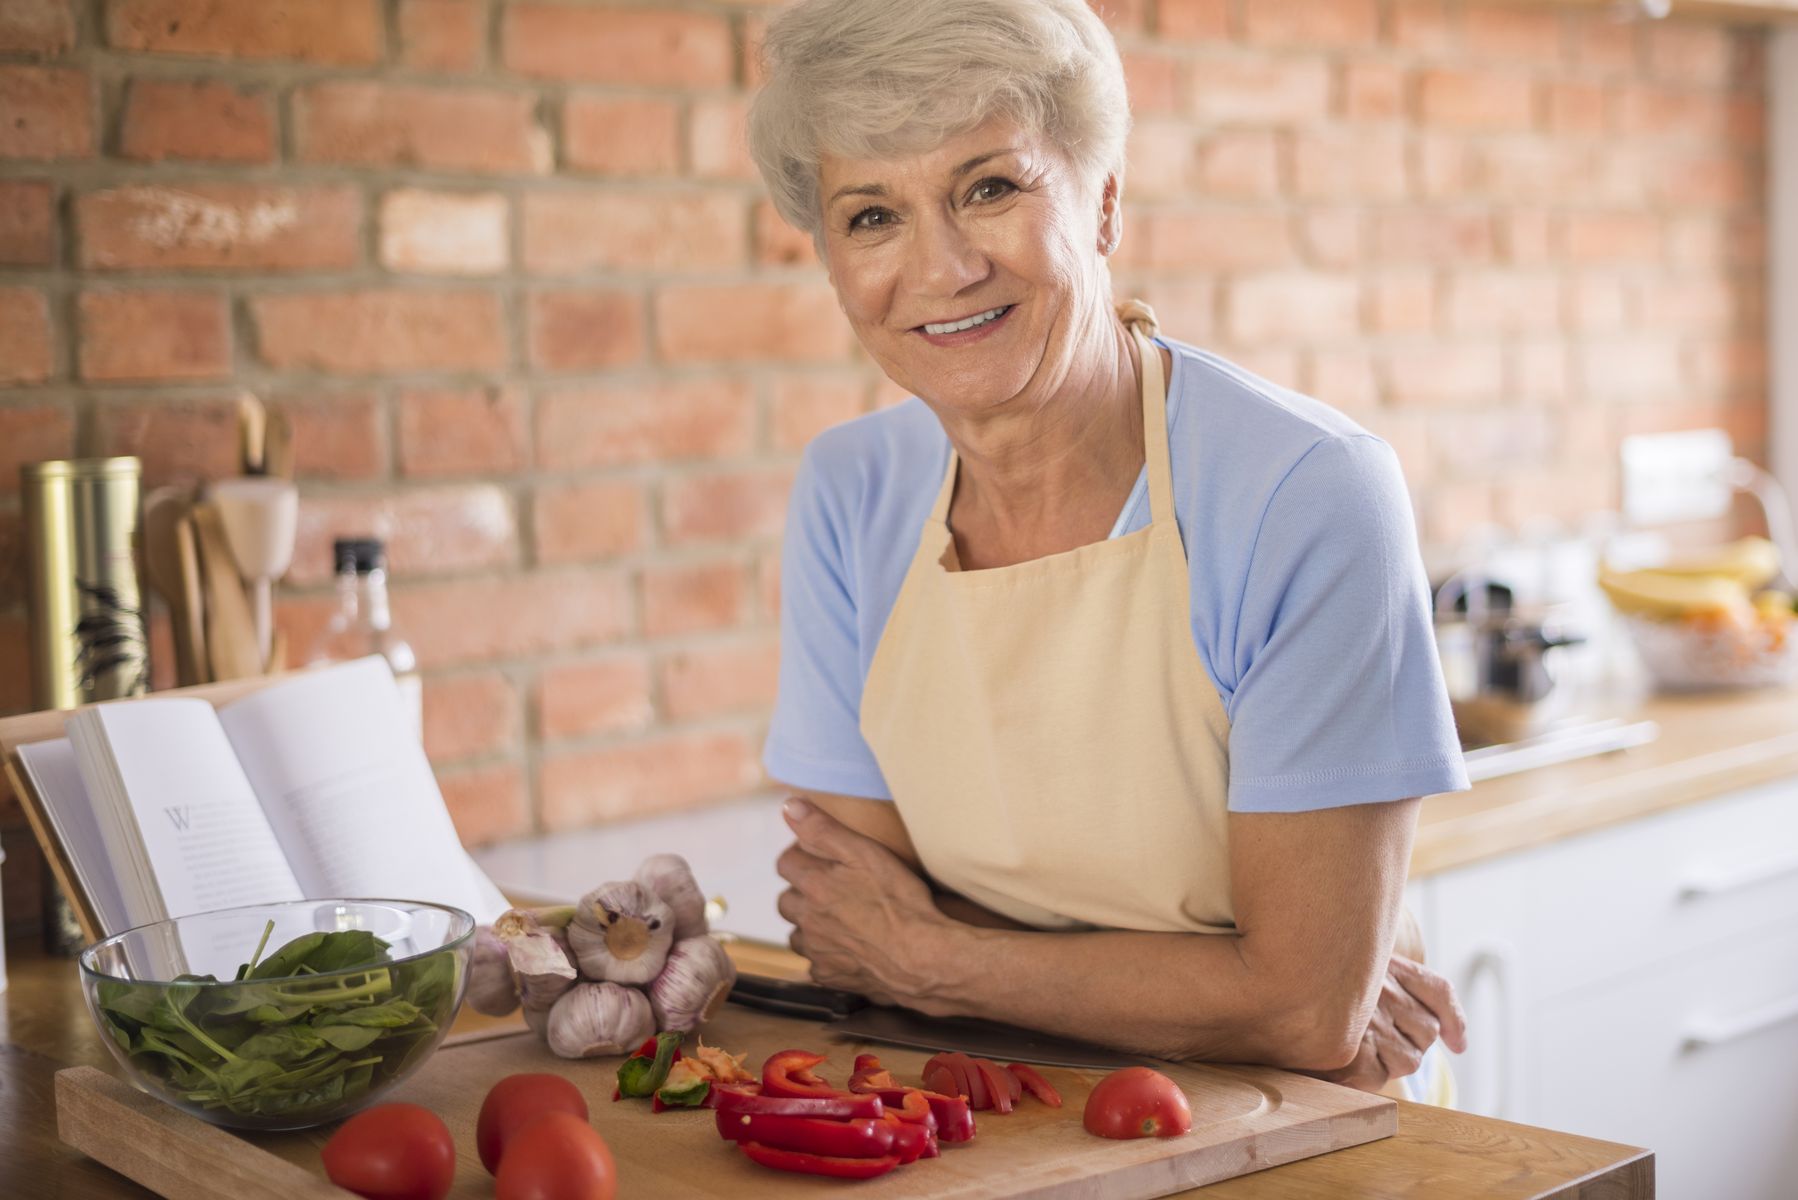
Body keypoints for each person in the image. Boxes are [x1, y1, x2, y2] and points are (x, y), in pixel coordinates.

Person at [748, 0, 1470, 1099]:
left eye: (989, 188)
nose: (939, 267)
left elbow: (1303, 1011)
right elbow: (852, 924)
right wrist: (1239, 984)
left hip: (1285, 1132)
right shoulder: (851, 494)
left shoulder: (1303, 492)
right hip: (974, 1114)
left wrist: (937, 956)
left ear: (1104, 203)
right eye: (870, 215)